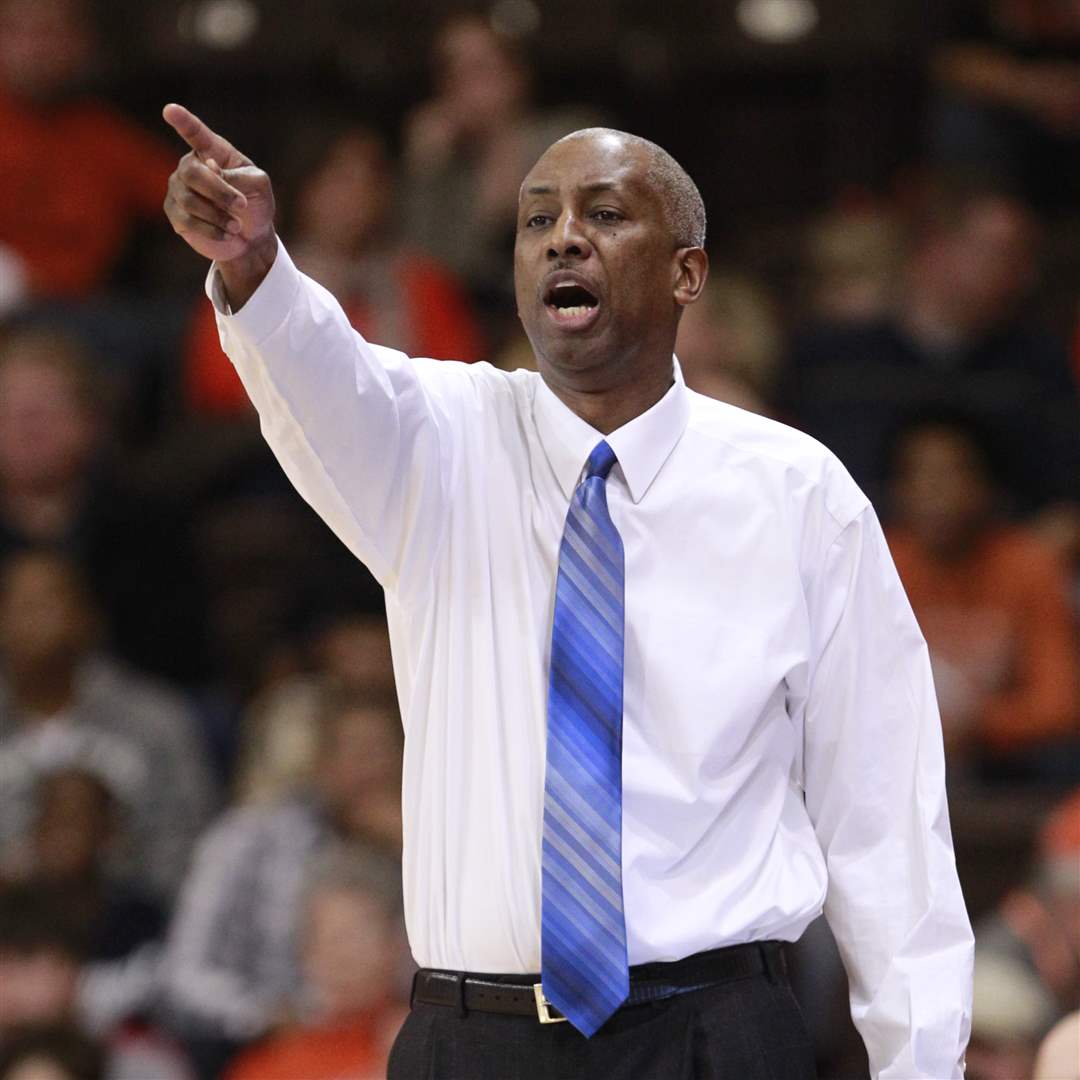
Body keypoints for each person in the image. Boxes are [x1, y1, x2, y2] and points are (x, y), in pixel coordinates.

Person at [161, 104, 974, 1078]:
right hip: (473, 1037)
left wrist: (922, 1064)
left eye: (605, 214)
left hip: (715, 1031)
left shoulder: (796, 492)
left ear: (689, 272)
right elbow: (327, 384)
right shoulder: (440, 443)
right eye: (537, 220)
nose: (564, 238)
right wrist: (256, 269)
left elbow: (882, 807)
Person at [160, 690, 403, 1073]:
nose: (368, 769)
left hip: (400, 1030)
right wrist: (267, 1015)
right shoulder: (247, 838)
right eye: (353, 751)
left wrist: (408, 842)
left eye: (381, 751)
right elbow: (183, 976)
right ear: (322, 763)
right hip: (265, 1042)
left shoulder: (429, 849)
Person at [223, 846, 408, 1080]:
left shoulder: (430, 1046)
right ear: (304, 951)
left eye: (354, 935)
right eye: (324, 936)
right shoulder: (268, 1065)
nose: (339, 955)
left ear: (395, 942)